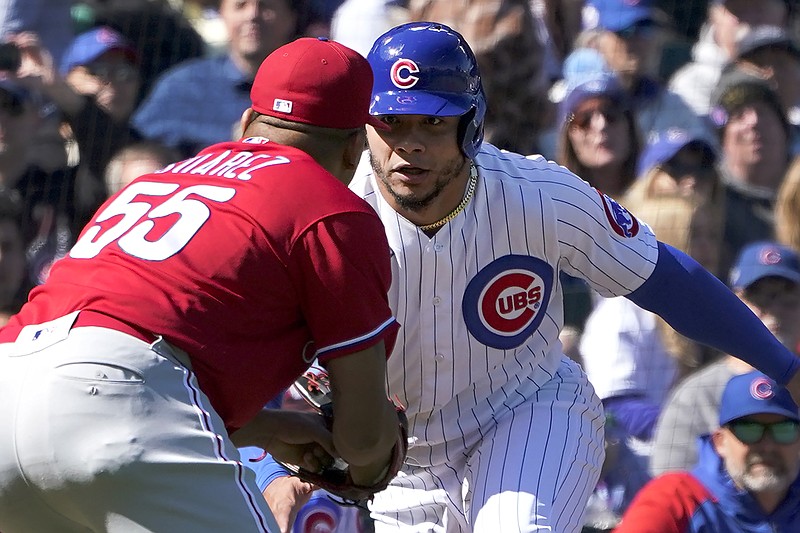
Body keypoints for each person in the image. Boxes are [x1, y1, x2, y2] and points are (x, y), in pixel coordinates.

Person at [260, 22, 800, 532]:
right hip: (401, 458)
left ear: (470, 126)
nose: (409, 143)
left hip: (529, 411)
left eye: (433, 121)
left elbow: (665, 279)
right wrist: (270, 474)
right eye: (391, 122)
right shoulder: (320, 215)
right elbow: (230, 356)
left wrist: (785, 368)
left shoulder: (536, 195)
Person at [0, 36, 402, 532]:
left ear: (248, 124)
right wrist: (369, 460)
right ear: (354, 150)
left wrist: (267, 428)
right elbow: (362, 441)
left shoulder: (155, 180)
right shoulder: (330, 209)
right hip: (117, 401)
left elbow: (104, 344)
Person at [650, 241, 800, 476]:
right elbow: (669, 484)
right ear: (734, 303)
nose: (774, 310)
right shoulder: (695, 394)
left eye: (788, 299)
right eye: (760, 299)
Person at [616, 370, 800, 532]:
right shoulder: (679, 499)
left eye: (783, 430)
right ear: (720, 441)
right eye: (748, 430)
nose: (767, 446)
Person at [132, 0, 311, 158]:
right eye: (241, 5)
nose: (252, 15)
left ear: (291, 18)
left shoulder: (310, 90)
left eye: (265, 5)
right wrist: (227, 142)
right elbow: (140, 145)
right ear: (222, 14)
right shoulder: (183, 84)